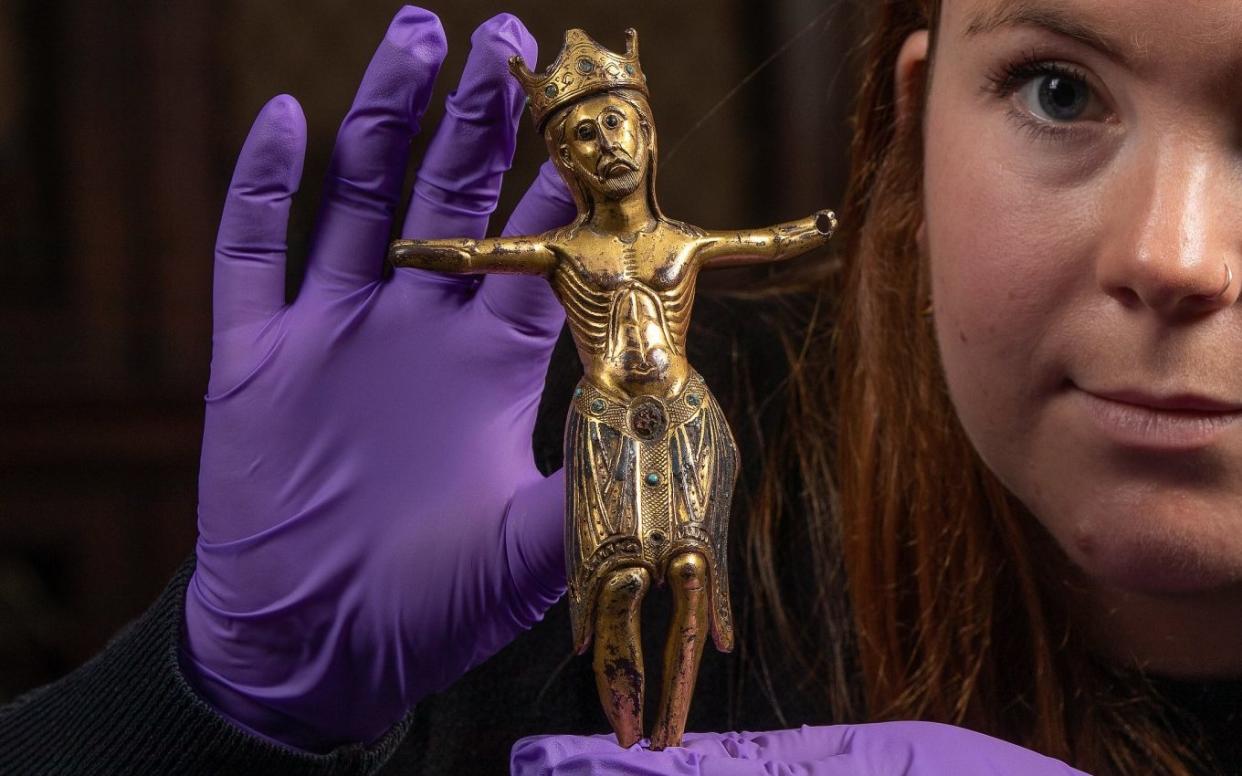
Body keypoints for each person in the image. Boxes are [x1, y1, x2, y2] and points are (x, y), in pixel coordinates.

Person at [0, 2, 1236, 775]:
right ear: (917, 127)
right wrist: (225, 710)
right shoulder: (508, 497)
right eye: (1057, 88)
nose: (1167, 254)